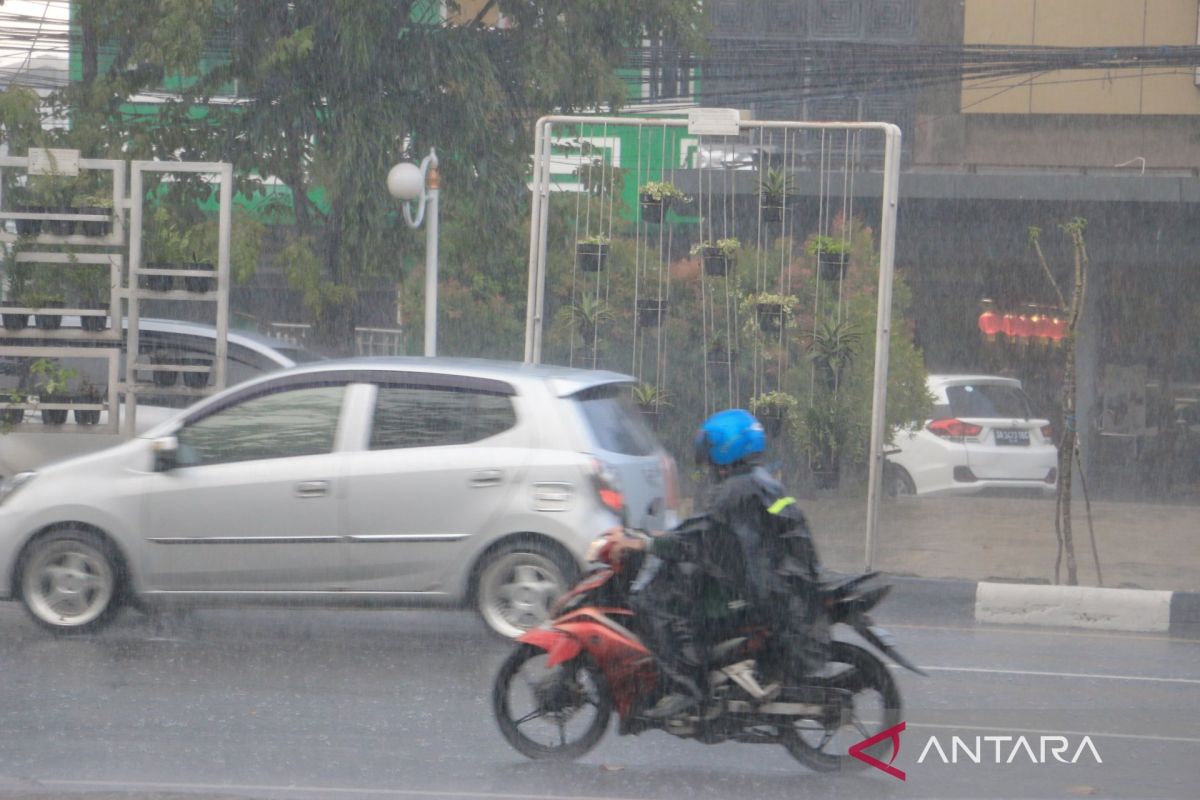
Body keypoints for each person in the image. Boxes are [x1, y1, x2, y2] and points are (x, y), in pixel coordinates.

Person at [611, 408, 825, 720]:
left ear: (725, 449)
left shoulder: (731, 491)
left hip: (748, 587)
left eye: (709, 452)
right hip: (767, 577)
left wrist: (643, 542)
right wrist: (653, 536)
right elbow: (706, 532)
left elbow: (694, 541)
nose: (707, 460)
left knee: (652, 601)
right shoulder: (757, 481)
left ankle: (689, 687)